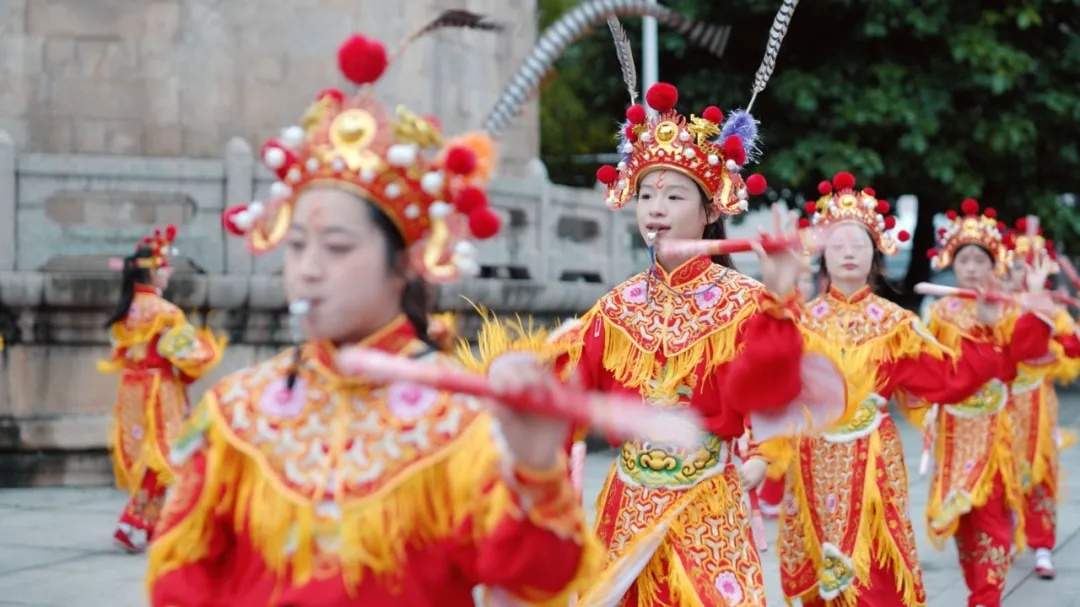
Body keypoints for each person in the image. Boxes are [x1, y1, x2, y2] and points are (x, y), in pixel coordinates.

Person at [146, 33, 596, 606]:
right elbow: (179, 571)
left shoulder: (461, 424)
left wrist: (535, 468)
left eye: (335, 248)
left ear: (405, 263)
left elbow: (537, 579)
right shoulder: (234, 414)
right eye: (297, 245)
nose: (307, 271)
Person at [543, 80, 821, 607]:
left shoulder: (746, 302)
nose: (656, 207)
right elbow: (570, 402)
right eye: (647, 194)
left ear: (710, 211)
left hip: (707, 501)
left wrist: (782, 302)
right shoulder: (616, 308)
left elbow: (771, 392)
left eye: (674, 195)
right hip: (627, 503)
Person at [771, 177, 1053, 606]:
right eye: (838, 242)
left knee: (877, 575)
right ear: (822, 253)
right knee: (818, 572)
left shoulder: (896, 325)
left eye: (859, 244)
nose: (848, 251)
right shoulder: (799, 321)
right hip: (810, 459)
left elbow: (949, 380)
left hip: (874, 463)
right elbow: (766, 381)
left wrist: (986, 328)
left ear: (876, 255)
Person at [923, 199, 1056, 607]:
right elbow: (935, 371)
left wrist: (1032, 303)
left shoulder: (1007, 309)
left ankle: (987, 596)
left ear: (992, 265)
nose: (972, 268)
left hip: (995, 431)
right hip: (954, 429)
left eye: (980, 259)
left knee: (993, 518)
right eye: (964, 259)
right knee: (964, 524)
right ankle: (978, 587)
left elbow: (1023, 355)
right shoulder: (941, 311)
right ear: (953, 264)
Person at [98, 225, 225, 553]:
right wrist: (209, 351)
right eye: (165, 268)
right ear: (153, 273)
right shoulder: (166, 312)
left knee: (151, 456)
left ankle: (152, 524)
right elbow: (183, 353)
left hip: (131, 387)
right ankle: (133, 521)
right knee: (164, 455)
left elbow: (119, 349)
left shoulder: (126, 310)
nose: (168, 273)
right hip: (158, 389)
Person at [1000, 220, 1080, 579]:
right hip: (1002, 401)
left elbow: (1072, 348)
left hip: (1037, 401)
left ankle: (1042, 544)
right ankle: (1003, 537)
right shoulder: (998, 307)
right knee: (1000, 470)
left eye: (1031, 266)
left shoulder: (1051, 307)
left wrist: (1056, 341)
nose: (1024, 273)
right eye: (1018, 266)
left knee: (1041, 469)